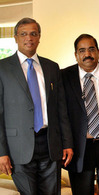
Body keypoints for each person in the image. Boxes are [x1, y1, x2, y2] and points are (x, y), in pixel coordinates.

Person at [0, 17, 73, 194]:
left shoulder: (52, 67)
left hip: (50, 144)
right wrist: (2, 152)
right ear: (16, 37)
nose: (29, 38)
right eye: (23, 34)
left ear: (39, 37)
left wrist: (67, 143)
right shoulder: (2, 68)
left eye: (33, 34)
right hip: (18, 147)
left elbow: (61, 109)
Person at [61, 34, 99, 195]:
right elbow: (61, 114)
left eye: (91, 49)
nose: (87, 54)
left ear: (98, 52)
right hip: (80, 147)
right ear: (76, 55)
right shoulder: (64, 76)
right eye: (82, 50)